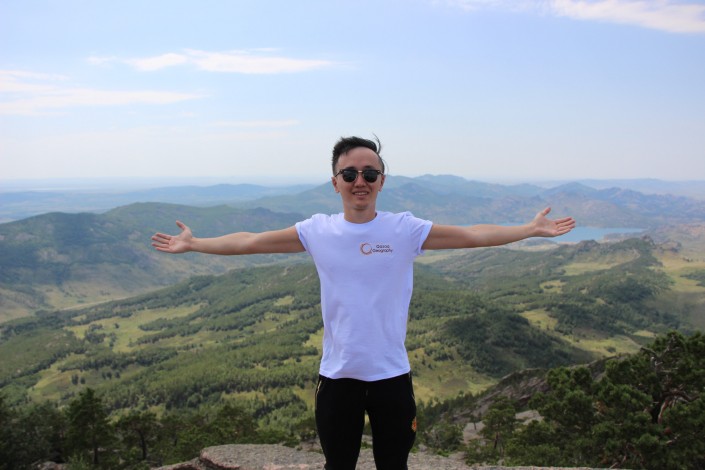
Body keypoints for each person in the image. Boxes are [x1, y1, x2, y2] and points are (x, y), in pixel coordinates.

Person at [151, 136, 575, 470]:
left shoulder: (405, 230)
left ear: (381, 182)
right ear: (335, 182)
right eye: (350, 173)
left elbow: (472, 234)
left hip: (392, 376)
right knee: (338, 467)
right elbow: (251, 242)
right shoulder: (317, 230)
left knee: (394, 466)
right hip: (338, 378)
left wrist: (528, 230)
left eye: (370, 173)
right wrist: (196, 244)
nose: (360, 181)